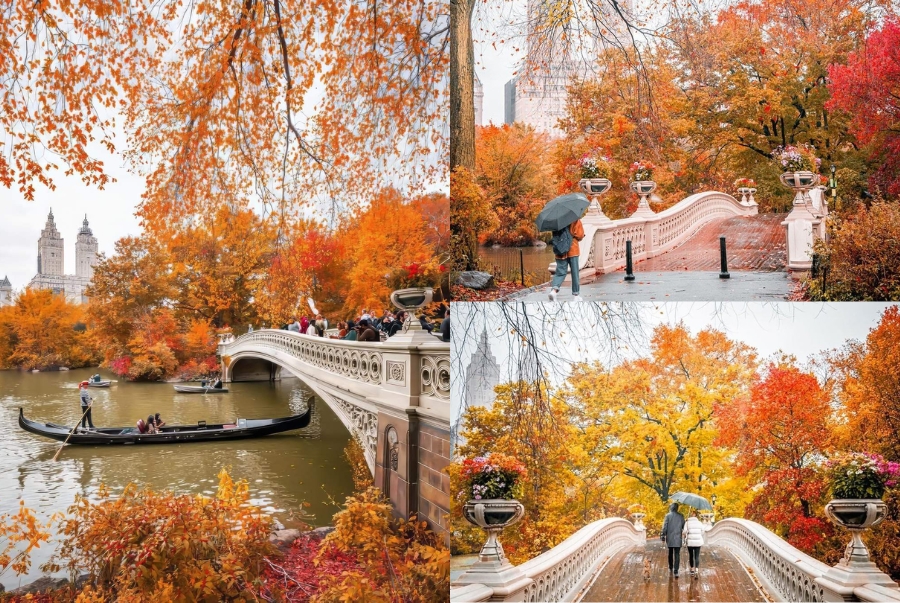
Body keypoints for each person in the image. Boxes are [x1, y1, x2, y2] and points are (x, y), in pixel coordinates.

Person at [548, 214, 586, 302]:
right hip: (573, 249)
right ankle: (576, 295)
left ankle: (554, 291)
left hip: (560, 250)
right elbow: (580, 235)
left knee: (560, 272)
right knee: (575, 272)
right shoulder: (574, 219)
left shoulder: (556, 220)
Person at [661, 502, 686, 578]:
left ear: (671, 507)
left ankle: (671, 567)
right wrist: (685, 522)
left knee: (670, 552)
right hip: (678, 538)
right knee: (677, 554)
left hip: (670, 538)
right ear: (677, 508)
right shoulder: (681, 516)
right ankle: (676, 571)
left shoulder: (667, 516)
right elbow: (683, 527)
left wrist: (663, 535)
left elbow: (665, 526)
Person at [683, 510, 705, 577]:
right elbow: (703, 531)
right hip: (698, 541)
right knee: (697, 556)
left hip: (690, 541)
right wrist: (698, 535)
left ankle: (692, 569)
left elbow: (684, 532)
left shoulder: (687, 523)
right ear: (696, 516)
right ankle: (697, 569)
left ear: (692, 515)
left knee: (691, 555)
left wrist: (686, 533)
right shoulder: (699, 523)